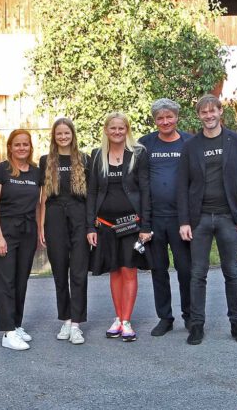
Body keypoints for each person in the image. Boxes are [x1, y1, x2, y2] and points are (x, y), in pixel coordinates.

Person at [177, 94, 237, 345]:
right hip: (200, 219)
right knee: (197, 274)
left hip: (228, 217)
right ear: (199, 116)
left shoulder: (236, 141)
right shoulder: (191, 146)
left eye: (212, 111)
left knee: (231, 273)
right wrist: (184, 221)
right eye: (204, 112)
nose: (209, 116)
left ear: (220, 111)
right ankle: (196, 325)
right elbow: (182, 186)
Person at [87, 112, 152, 343]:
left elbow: (145, 191)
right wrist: (90, 227)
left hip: (132, 225)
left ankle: (126, 321)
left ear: (127, 130)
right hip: (105, 225)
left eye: (121, 128)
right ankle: (118, 317)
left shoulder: (138, 154)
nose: (117, 132)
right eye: (113, 128)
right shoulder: (97, 155)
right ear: (106, 130)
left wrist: (146, 225)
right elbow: (92, 193)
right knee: (114, 271)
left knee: (128, 270)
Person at [138, 98, 194, 336]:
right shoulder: (145, 144)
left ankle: (190, 316)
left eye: (169, 117)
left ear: (177, 117)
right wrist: (144, 222)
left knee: (186, 270)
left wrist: (189, 218)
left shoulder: (189, 142)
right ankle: (165, 318)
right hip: (154, 220)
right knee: (158, 270)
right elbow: (140, 181)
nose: (165, 121)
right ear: (155, 121)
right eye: (160, 118)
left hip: (181, 220)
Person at [0, 129, 43, 351]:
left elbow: (38, 205)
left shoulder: (36, 173)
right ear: (10, 147)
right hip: (5, 230)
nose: (21, 148)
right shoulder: (1, 170)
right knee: (5, 281)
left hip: (27, 230)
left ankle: (17, 325)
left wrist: (38, 231)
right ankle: (7, 332)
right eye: (17, 144)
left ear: (30, 147)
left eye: (25, 144)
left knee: (21, 280)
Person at [38, 118, 91, 345]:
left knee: (78, 271)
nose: (63, 137)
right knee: (60, 271)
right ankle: (66, 320)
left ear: (72, 135)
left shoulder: (84, 159)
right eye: (59, 133)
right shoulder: (46, 160)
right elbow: (43, 197)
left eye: (66, 133)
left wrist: (91, 226)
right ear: (54, 136)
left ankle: (77, 324)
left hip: (79, 216)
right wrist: (41, 226)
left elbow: (91, 195)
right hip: (54, 216)